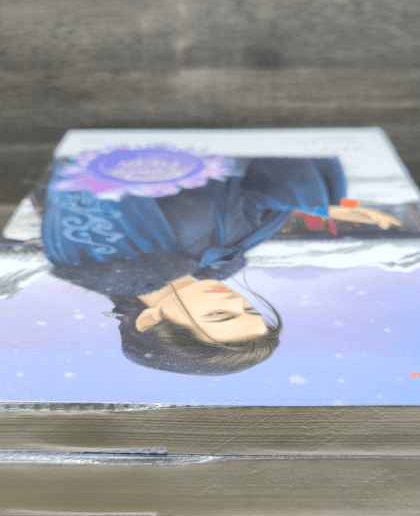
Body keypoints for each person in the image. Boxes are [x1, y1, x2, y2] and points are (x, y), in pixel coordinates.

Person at [41, 150, 398, 375]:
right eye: (248, 310)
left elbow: (86, 171)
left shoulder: (99, 257)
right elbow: (259, 190)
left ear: (149, 320)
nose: (234, 301)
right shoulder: (220, 255)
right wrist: (327, 204)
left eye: (220, 315)